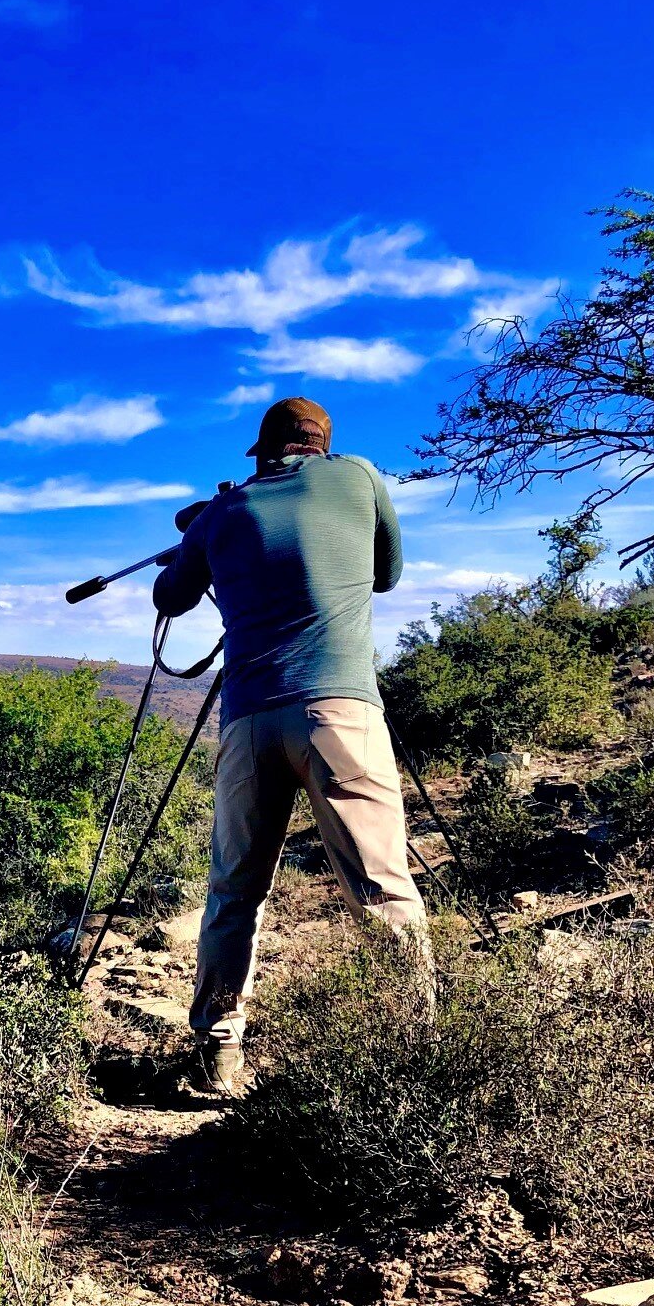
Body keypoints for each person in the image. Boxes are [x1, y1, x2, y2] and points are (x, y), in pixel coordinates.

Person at [153, 394, 432, 1094]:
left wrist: (197, 541)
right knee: (380, 887)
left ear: (264, 451)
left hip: (249, 723)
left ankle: (217, 1055)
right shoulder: (360, 478)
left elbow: (169, 598)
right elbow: (385, 574)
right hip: (340, 713)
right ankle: (421, 1053)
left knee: (234, 893)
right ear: (321, 446)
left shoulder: (223, 512)